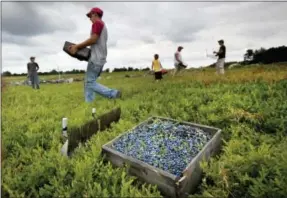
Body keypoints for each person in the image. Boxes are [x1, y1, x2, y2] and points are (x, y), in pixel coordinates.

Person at [68, 7, 121, 103]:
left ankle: (113, 93)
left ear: (95, 14)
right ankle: (89, 104)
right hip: (99, 58)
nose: (89, 18)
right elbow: (96, 43)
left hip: (96, 59)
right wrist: (80, 54)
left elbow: (93, 39)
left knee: (90, 83)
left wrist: (77, 46)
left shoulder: (97, 23)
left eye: (90, 15)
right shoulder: (103, 26)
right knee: (88, 82)